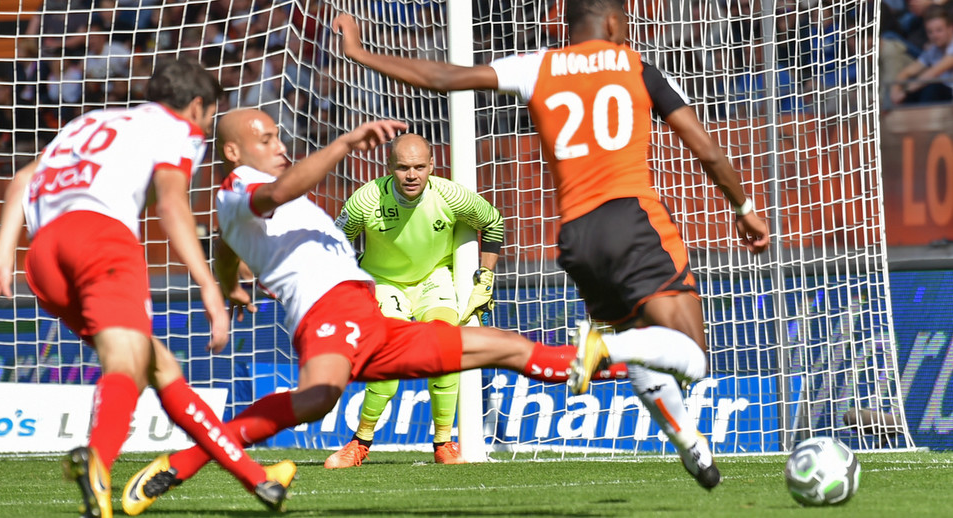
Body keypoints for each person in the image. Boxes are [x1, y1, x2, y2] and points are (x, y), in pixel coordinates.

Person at [119, 107, 691, 515]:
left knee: (501, 347)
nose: (280, 145)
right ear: (234, 152)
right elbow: (274, 195)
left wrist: (229, 286)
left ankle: (627, 365)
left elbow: (226, 243)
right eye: (266, 138)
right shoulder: (244, 187)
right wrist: (344, 144)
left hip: (372, 318)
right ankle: (185, 462)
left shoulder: (239, 205)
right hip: (331, 314)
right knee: (318, 401)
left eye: (278, 137)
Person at [332, 0, 770, 490]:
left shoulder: (537, 66)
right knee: (687, 351)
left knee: (644, 351)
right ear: (611, 21)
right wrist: (743, 205)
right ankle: (604, 348)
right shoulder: (635, 67)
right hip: (634, 221)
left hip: (578, 237)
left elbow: (442, 77)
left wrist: (360, 52)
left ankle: (690, 445)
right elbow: (703, 146)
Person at [0, 59, 296, 518]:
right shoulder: (178, 130)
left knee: (157, 364)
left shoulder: (90, 121)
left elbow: (24, 179)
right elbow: (172, 205)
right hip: (99, 241)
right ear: (198, 105)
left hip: (42, 257)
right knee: (127, 360)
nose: (205, 128)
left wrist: (4, 253)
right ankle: (99, 464)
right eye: (208, 117)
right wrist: (207, 283)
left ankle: (255, 478)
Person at [325, 133, 504, 468]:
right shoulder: (365, 201)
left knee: (444, 346)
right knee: (391, 356)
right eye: (404, 167)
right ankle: (360, 443)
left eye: (420, 167)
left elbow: (493, 222)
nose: (412, 175)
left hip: (433, 280)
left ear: (432, 166)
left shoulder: (450, 195)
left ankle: (444, 444)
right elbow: (337, 244)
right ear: (389, 166)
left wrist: (487, 274)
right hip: (383, 281)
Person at [890, 5, 953, 105]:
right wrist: (895, 89)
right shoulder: (933, 49)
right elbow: (907, 71)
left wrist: (905, 91)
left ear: (950, 28)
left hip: (947, 98)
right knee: (914, 92)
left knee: (931, 87)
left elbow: (934, 72)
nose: (934, 36)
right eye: (930, 32)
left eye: (939, 30)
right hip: (943, 98)